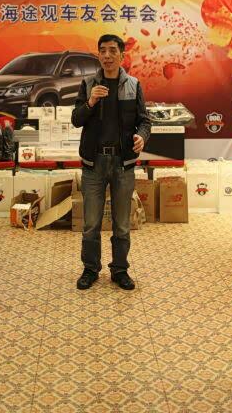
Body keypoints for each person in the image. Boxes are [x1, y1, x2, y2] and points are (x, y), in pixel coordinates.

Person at [71, 34, 151, 292]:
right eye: (102, 51)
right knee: (91, 224)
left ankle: (120, 270)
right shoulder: (88, 84)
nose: (107, 55)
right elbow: (76, 119)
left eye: (112, 50)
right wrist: (91, 102)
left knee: (122, 224)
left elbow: (144, 120)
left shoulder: (133, 84)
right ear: (98, 55)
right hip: (94, 163)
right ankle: (90, 269)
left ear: (122, 55)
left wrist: (142, 136)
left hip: (122, 163)